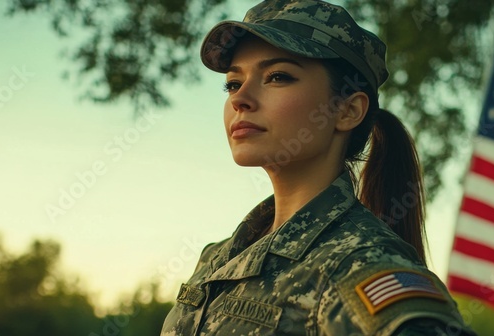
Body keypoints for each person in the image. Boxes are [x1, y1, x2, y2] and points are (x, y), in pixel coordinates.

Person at [160, 1, 476, 335]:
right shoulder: (218, 258)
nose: (240, 99)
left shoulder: (364, 264)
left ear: (348, 111)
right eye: (233, 83)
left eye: (277, 76)